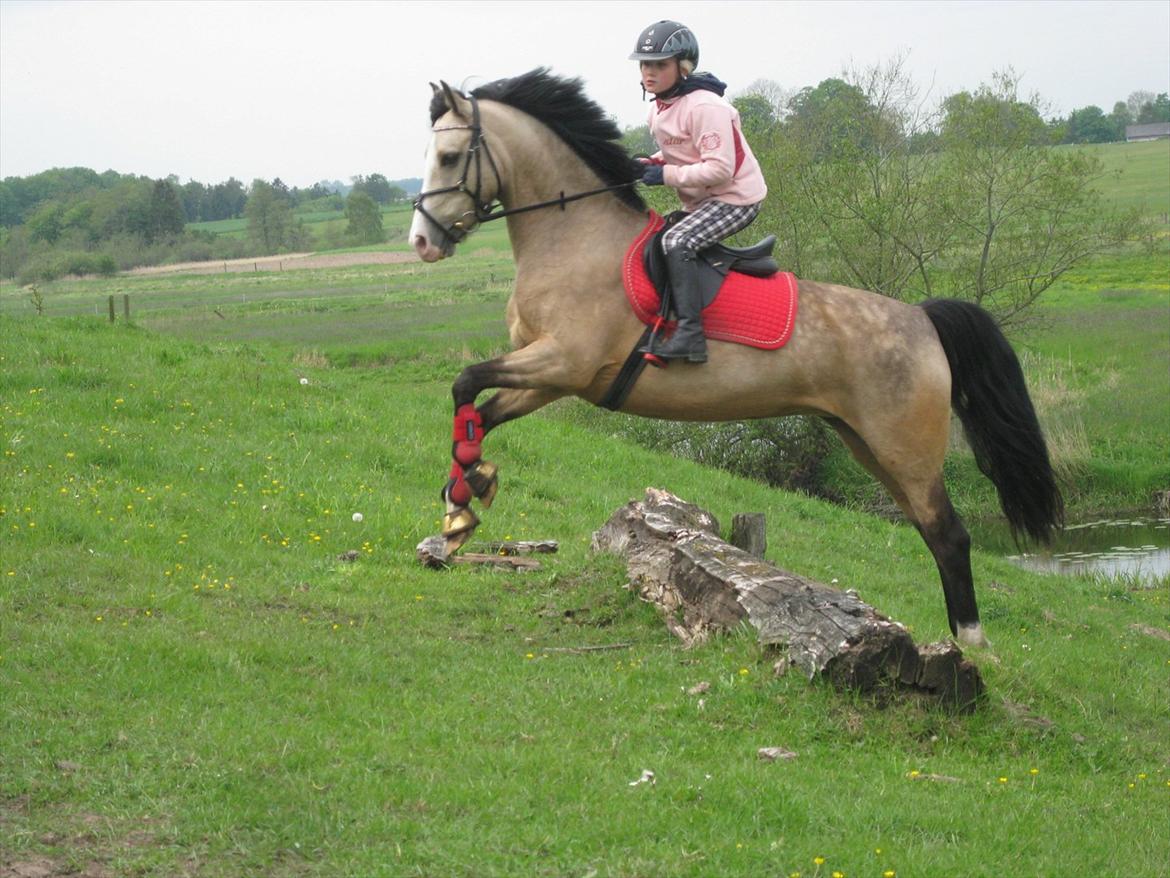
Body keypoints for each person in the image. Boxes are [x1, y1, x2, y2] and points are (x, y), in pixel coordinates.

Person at [630, 20, 768, 363]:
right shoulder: (658, 109)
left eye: (660, 65)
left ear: (684, 67)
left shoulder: (706, 107)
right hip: (706, 198)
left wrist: (664, 175)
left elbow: (720, 170)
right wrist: (651, 161)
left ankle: (691, 335)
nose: (649, 72)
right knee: (655, 236)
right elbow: (683, 151)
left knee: (677, 242)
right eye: (645, 64)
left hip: (736, 198)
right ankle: (666, 317)